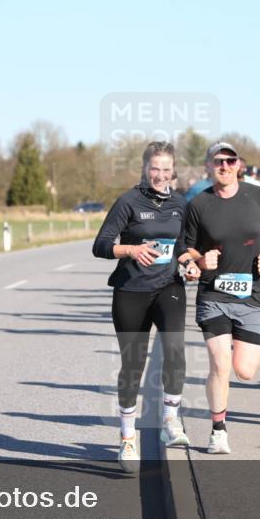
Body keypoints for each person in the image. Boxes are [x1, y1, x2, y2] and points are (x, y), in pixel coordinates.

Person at [93, 141, 201, 473]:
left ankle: (170, 418)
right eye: (155, 168)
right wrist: (131, 250)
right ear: (144, 169)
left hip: (168, 285)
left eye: (167, 169)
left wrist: (189, 263)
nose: (161, 175)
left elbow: (181, 245)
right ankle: (127, 438)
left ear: (173, 171)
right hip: (131, 290)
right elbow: (101, 245)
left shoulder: (180, 203)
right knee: (133, 365)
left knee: (175, 348)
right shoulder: (128, 202)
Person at [185, 141, 260, 454]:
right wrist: (200, 261)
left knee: (245, 370)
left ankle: (220, 417)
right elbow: (187, 248)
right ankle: (218, 430)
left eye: (230, 161)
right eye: (218, 161)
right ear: (209, 166)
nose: (224, 166)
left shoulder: (258, 196)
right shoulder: (199, 204)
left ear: (239, 164)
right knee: (220, 363)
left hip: (252, 294)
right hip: (213, 294)